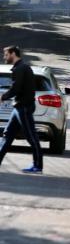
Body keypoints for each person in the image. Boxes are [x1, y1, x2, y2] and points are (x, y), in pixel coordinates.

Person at [0, 46, 43, 174]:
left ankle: (38, 165)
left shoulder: (20, 69)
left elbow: (16, 88)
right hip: (19, 107)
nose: (4, 57)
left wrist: (3, 97)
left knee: (31, 136)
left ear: (13, 54)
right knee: (7, 135)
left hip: (23, 107)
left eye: (6, 54)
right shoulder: (23, 67)